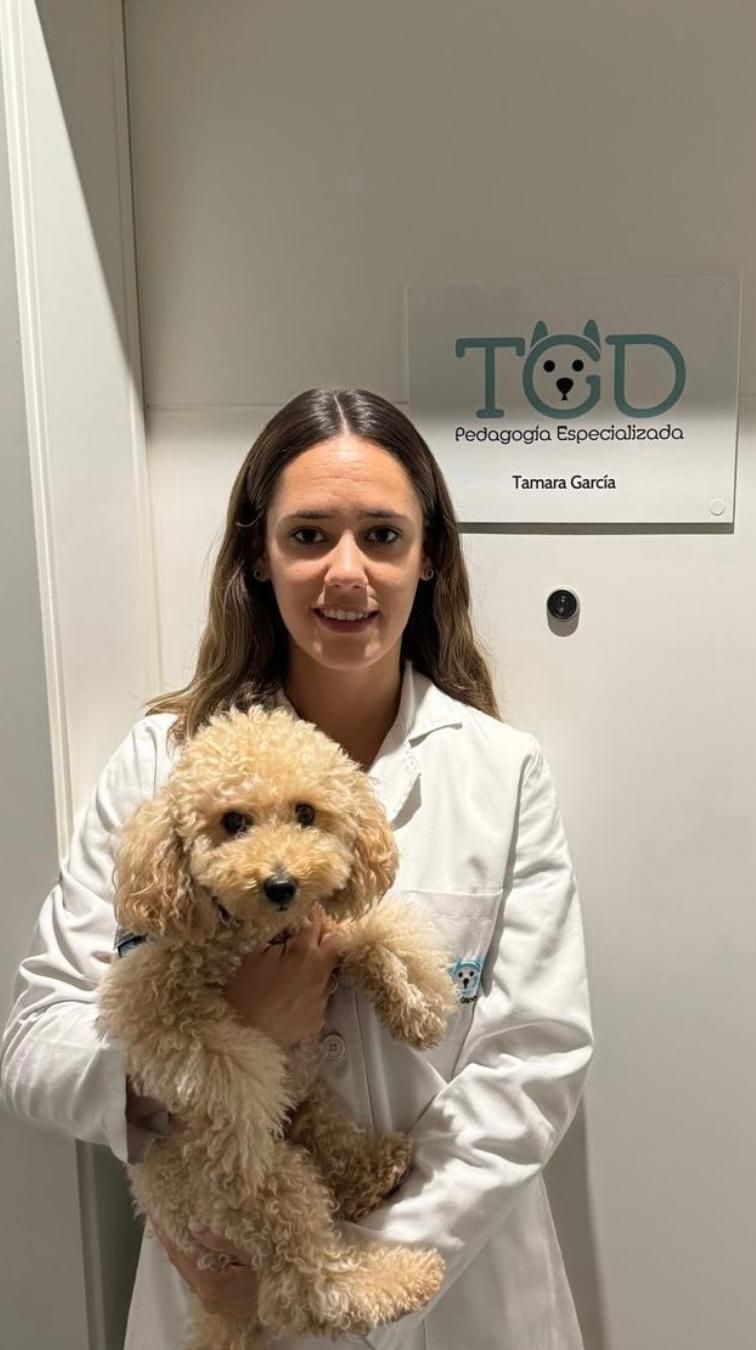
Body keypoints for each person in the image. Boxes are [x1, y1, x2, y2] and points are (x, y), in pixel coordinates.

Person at [0, 388, 593, 1350]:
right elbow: (35, 1043)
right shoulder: (163, 762)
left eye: (383, 535)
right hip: (217, 1268)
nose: (345, 572)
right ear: (258, 557)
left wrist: (346, 1273)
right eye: (309, 534)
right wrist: (219, 1049)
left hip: (451, 1292)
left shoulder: (500, 772)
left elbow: (533, 1062)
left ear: (428, 556)